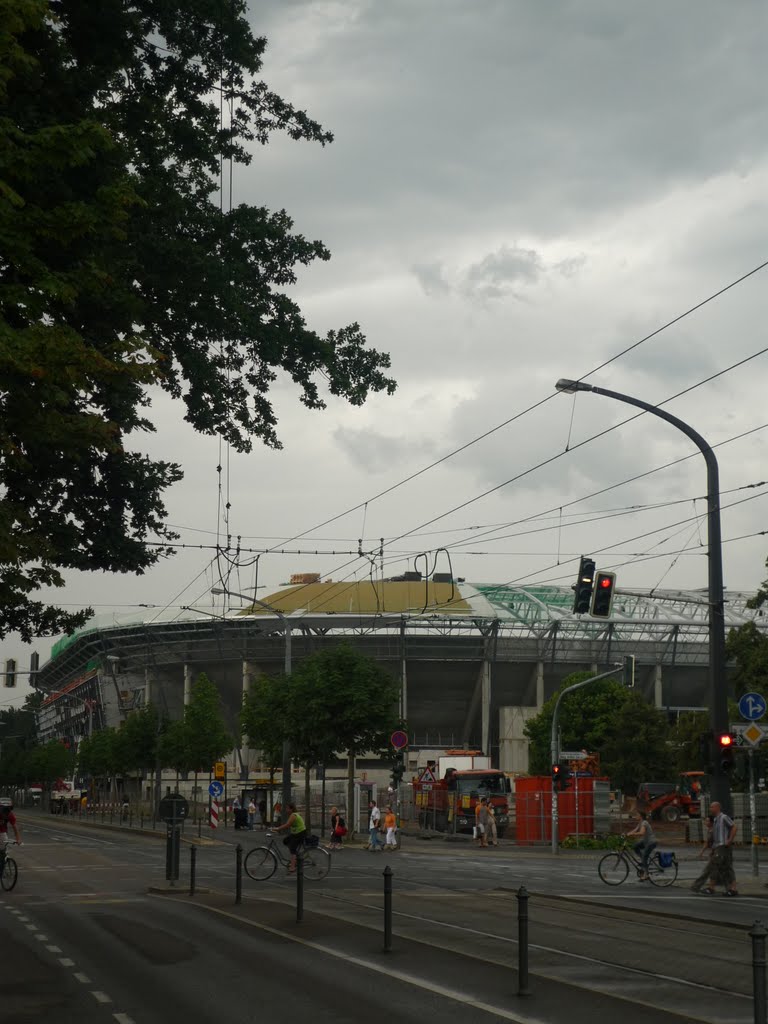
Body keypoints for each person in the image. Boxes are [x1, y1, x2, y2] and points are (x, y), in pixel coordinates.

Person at [701, 801, 738, 896]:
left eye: (712, 807)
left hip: (723, 846)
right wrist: (713, 849)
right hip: (718, 847)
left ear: (717, 807)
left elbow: (734, 827)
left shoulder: (724, 817)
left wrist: (729, 840)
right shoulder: (716, 820)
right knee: (724, 867)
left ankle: (713, 888)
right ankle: (730, 889)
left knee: (718, 866)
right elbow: (714, 836)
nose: (710, 809)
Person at [273, 802, 307, 874]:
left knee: (292, 848)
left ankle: (293, 867)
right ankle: (295, 856)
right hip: (296, 833)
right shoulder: (293, 814)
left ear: (291, 809)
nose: (286, 810)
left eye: (287, 808)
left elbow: (287, 825)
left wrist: (277, 829)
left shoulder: (293, 815)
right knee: (286, 841)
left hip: (300, 833)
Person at [627, 809, 657, 880]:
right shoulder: (640, 823)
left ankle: (646, 875)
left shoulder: (644, 823)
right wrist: (627, 834)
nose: (635, 816)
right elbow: (635, 829)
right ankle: (643, 861)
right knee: (635, 846)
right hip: (646, 841)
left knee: (644, 857)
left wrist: (633, 834)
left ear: (640, 816)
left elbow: (642, 833)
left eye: (637, 815)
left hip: (651, 842)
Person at [691, 814, 715, 893]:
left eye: (707, 821)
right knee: (712, 871)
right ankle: (711, 887)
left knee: (708, 870)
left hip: (717, 853)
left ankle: (697, 886)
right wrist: (702, 852)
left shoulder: (715, 830)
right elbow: (707, 842)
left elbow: (716, 842)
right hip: (714, 853)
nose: (705, 822)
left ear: (712, 822)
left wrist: (712, 851)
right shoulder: (709, 830)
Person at [0, 799, 22, 872]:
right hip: (2, 834)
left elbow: (15, 827)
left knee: (2, 851)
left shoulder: (10, 814)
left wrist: (18, 839)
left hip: (2, 833)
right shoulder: (8, 813)